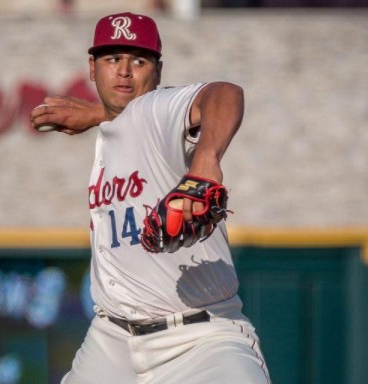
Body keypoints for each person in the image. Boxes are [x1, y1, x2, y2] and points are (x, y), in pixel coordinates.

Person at [30, 11, 271, 384]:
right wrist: (99, 114)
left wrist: (205, 160)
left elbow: (223, 93)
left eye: (138, 61)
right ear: (92, 68)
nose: (124, 71)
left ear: (157, 72)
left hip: (200, 341)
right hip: (112, 341)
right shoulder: (117, 124)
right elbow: (125, 118)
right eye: (113, 60)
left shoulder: (156, 110)